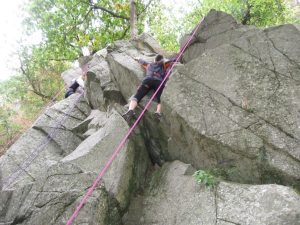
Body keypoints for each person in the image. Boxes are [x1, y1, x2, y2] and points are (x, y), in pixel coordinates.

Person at [122, 54, 175, 121]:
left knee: (137, 96)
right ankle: (158, 112)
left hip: (147, 81)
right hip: (158, 82)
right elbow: (173, 60)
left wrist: (137, 58)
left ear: (155, 60)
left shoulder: (149, 65)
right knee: (160, 99)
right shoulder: (163, 65)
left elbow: (141, 61)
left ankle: (131, 109)